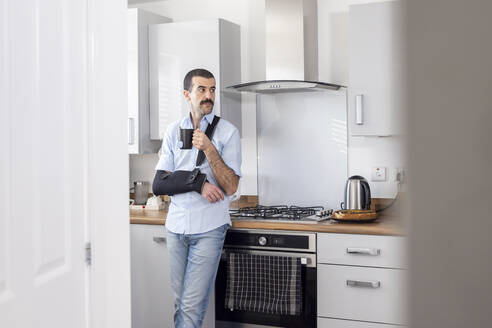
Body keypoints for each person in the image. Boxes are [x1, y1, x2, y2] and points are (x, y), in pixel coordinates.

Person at [153, 68, 241, 327]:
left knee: (191, 309)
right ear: (186, 94)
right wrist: (198, 183)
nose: (208, 95)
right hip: (176, 228)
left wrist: (209, 148)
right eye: (201, 89)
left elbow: (231, 186)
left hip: (209, 228)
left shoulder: (228, 132)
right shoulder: (173, 131)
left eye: (212, 90)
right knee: (181, 304)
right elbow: (160, 183)